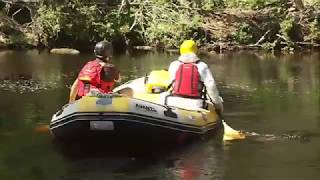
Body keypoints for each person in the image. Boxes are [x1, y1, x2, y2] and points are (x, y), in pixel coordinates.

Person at [165, 40, 223, 112]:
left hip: (173, 103)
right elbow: (211, 87)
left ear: (181, 50)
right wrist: (217, 105)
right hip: (195, 105)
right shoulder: (202, 66)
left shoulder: (173, 65)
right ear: (196, 51)